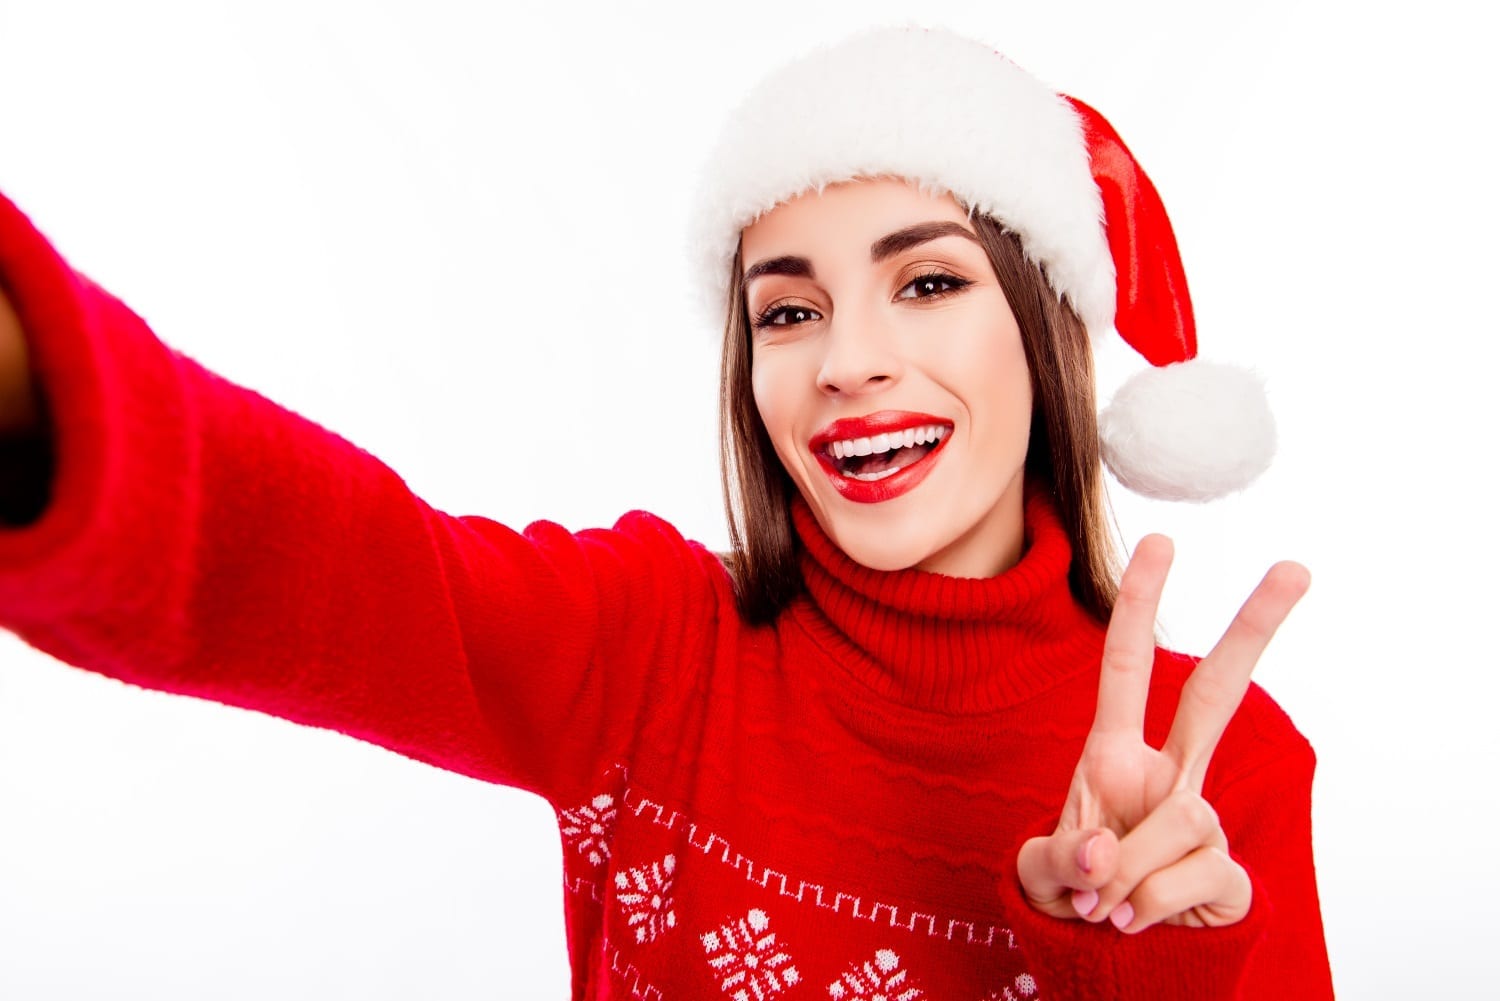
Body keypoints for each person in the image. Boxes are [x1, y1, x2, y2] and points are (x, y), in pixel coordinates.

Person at [0, 26, 1332, 1000]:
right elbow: (337, 563)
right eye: (788, 309)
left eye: (926, 284)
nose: (843, 360)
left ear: (1049, 334)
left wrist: (1141, 961)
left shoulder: (1234, 772)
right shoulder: (646, 650)